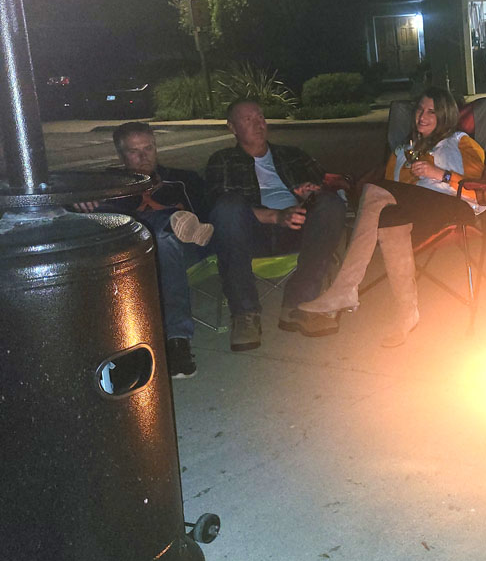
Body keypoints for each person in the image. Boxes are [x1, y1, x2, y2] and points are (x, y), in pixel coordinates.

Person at [299, 87, 485, 346]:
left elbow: (478, 185)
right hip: (416, 212)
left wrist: (439, 174)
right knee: (388, 219)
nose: (422, 116)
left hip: (453, 208)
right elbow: (388, 192)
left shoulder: (461, 141)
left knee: (374, 191)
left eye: (431, 111)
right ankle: (407, 315)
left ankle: (345, 288)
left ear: (445, 115)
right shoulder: (402, 150)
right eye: (419, 109)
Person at [206, 100, 347, 352]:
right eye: (248, 119)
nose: (258, 124)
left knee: (330, 204)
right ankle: (245, 314)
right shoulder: (223, 160)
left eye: (260, 117)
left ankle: (300, 304)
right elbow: (217, 204)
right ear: (232, 127)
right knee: (227, 208)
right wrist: (275, 216)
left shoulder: (293, 155)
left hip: (297, 227)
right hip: (250, 233)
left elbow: (325, 187)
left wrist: (310, 195)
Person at [75, 121, 212, 378]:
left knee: (165, 240)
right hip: (132, 255)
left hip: (183, 252)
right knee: (149, 231)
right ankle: (170, 222)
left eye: (148, 148)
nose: (143, 157)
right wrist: (80, 200)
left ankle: (177, 340)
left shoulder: (183, 180)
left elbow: (208, 217)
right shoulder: (108, 185)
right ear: (121, 156)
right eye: (134, 151)